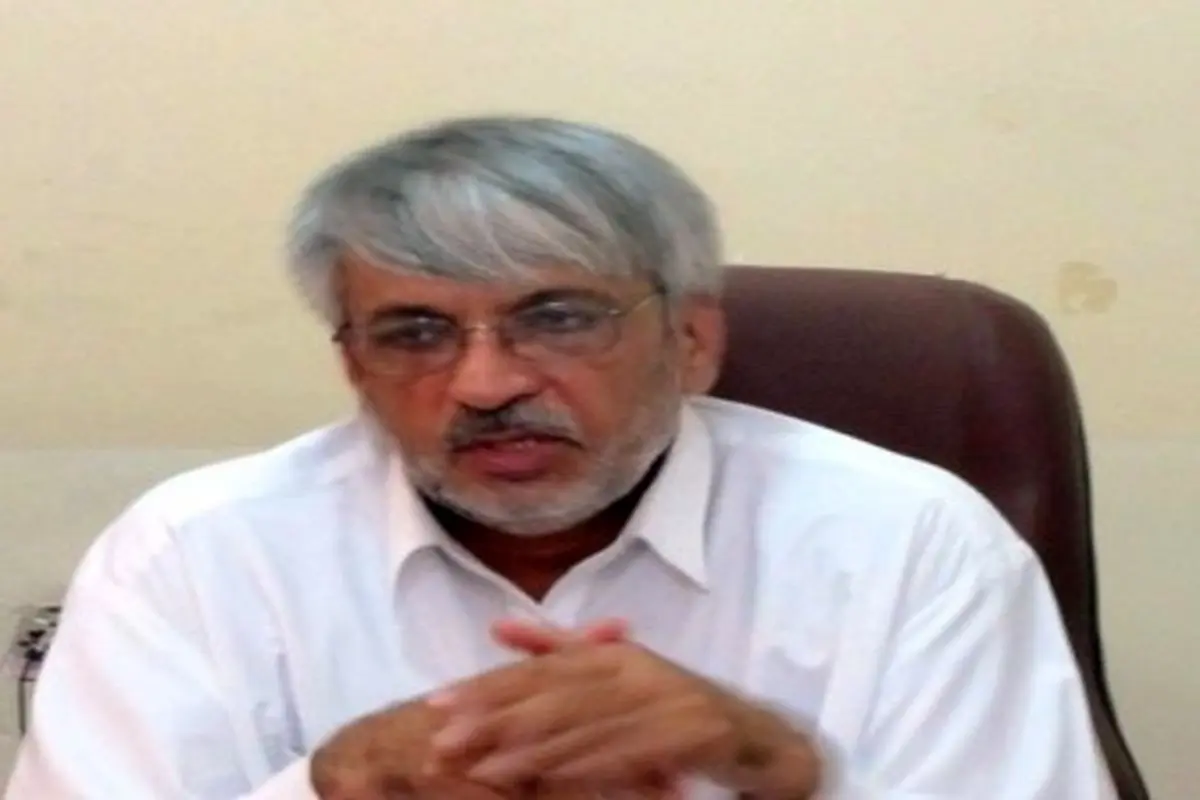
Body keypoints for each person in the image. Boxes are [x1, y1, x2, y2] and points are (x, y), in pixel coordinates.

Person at [5, 116, 1117, 799]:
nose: (485, 383)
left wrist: (784, 769)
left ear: (692, 341)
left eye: (557, 318)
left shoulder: (910, 539)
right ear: (352, 364)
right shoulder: (197, 553)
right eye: (415, 332)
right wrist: (339, 783)